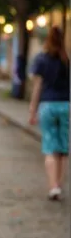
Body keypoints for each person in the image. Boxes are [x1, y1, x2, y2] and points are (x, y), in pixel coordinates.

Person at [29, 25, 69, 201]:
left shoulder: (42, 59)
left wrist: (32, 109)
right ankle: (59, 184)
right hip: (66, 106)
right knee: (62, 148)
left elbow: (37, 86)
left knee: (50, 147)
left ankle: (52, 186)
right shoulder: (66, 59)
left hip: (47, 105)